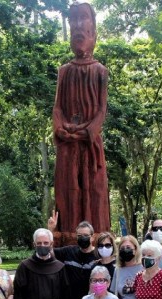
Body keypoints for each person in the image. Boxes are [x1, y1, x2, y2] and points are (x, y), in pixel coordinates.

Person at [52, 2, 110, 233]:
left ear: (93, 31)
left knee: (93, 188)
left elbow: (101, 111)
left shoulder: (100, 71)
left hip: (89, 143)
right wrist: (61, 128)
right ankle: (66, 234)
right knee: (67, 189)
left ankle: (96, 235)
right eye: (73, 20)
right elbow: (57, 108)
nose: (78, 26)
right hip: (68, 142)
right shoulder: (64, 71)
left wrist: (87, 131)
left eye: (83, 18)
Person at [47, 213, 99, 299]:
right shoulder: (68, 251)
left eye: (85, 235)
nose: (82, 238)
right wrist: (50, 230)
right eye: (79, 236)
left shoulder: (98, 255)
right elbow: (49, 252)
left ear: (92, 237)